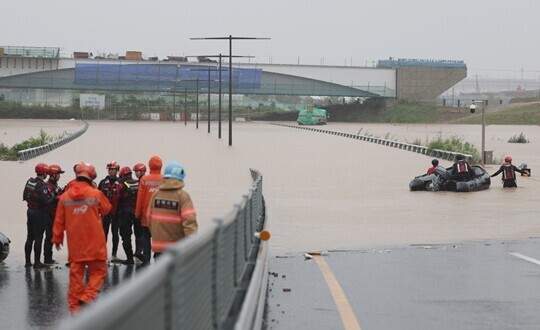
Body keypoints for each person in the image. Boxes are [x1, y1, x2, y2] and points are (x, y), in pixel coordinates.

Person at [52, 162, 112, 314]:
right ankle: (88, 297)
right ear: (91, 177)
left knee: (75, 278)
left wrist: (57, 238)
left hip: (75, 245)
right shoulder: (95, 194)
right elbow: (107, 208)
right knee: (98, 272)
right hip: (95, 243)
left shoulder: (65, 197)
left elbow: (59, 220)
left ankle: (75, 311)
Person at [148, 162, 198, 259]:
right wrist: (192, 245)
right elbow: (189, 222)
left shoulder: (156, 194)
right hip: (177, 249)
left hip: (158, 248)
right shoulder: (183, 196)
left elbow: (149, 218)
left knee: (160, 273)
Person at [23, 163, 53, 269]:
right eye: (46, 173)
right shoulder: (42, 185)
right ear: (44, 173)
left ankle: (27, 262)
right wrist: (54, 199)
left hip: (29, 211)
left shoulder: (29, 182)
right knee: (38, 237)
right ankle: (37, 262)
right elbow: (45, 202)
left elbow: (24, 196)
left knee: (29, 237)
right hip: (39, 213)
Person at [135, 156, 162, 264]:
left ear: (149, 165)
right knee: (158, 238)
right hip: (160, 216)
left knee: (146, 238)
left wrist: (137, 213)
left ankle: (146, 259)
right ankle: (158, 258)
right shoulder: (165, 179)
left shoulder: (144, 180)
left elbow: (140, 199)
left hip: (146, 216)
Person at [98, 161, 121, 260]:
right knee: (103, 234)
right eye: (109, 169)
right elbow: (97, 195)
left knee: (115, 234)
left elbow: (126, 193)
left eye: (113, 169)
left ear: (117, 170)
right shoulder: (103, 183)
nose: (111, 171)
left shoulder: (121, 182)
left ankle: (114, 254)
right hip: (105, 213)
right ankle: (102, 253)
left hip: (116, 213)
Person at [116, 166, 139, 265]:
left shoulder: (121, 185)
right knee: (139, 235)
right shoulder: (138, 183)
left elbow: (116, 199)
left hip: (124, 213)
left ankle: (129, 258)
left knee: (126, 236)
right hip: (137, 213)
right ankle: (139, 254)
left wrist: (114, 213)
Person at [43, 164, 65, 265]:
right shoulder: (48, 186)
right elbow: (47, 201)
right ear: (53, 175)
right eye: (58, 174)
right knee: (49, 237)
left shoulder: (55, 186)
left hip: (54, 215)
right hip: (48, 215)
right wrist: (56, 198)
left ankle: (49, 258)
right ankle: (47, 259)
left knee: (51, 236)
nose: (60, 176)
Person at [132, 163, 146, 261]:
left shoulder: (144, 182)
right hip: (137, 212)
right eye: (135, 171)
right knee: (138, 233)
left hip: (142, 213)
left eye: (137, 171)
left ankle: (140, 252)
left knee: (142, 234)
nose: (136, 173)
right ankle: (138, 252)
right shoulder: (137, 182)